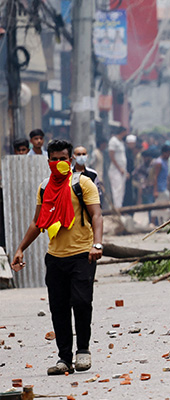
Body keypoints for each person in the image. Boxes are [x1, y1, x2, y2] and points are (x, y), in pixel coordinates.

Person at [11, 139, 103, 375]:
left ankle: (83, 351)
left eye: (63, 158)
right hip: (55, 257)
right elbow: (37, 222)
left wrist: (97, 244)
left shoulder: (83, 184)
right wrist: (21, 248)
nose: (59, 162)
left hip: (83, 255)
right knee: (59, 308)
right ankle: (64, 358)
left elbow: (97, 216)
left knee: (82, 303)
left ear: (70, 160)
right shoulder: (44, 187)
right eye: (54, 159)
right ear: (48, 161)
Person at [150, 144, 170, 225]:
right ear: (164, 153)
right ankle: (152, 222)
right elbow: (155, 176)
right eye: (168, 153)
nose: (169, 155)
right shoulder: (159, 162)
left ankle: (162, 222)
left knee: (163, 206)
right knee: (157, 206)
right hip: (159, 188)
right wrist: (155, 190)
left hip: (164, 187)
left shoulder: (165, 161)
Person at [107, 127, 129, 209]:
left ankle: (119, 207)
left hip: (122, 170)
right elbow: (112, 156)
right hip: (115, 170)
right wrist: (119, 168)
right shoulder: (113, 141)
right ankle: (116, 208)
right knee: (117, 189)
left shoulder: (121, 142)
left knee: (121, 190)